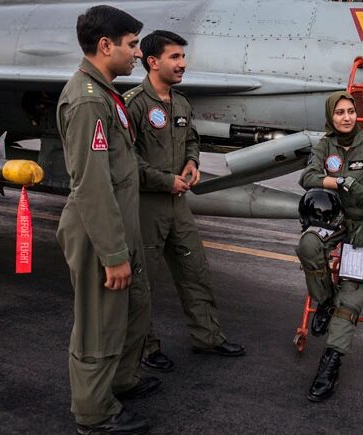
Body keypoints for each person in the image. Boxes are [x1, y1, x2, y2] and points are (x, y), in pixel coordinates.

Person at [56, 6, 160, 434]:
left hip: (118, 225)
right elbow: (92, 186)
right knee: (99, 323)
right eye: (132, 45)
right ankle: (94, 415)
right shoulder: (86, 100)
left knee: (129, 312)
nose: (137, 54)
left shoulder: (106, 93)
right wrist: (114, 253)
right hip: (99, 231)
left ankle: (121, 382)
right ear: (106, 46)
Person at [123, 30, 244, 373]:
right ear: (153, 61)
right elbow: (127, 161)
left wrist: (192, 163)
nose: (182, 64)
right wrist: (165, 181)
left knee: (196, 271)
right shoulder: (133, 105)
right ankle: (144, 348)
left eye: (182, 57)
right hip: (146, 207)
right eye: (174, 57)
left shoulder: (180, 102)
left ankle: (208, 337)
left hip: (178, 206)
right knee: (141, 283)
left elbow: (191, 138)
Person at [296, 91, 363, 402]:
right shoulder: (324, 145)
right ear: (331, 117)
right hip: (334, 218)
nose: (346, 117)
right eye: (339, 112)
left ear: (357, 115)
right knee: (308, 245)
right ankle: (324, 301)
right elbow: (308, 177)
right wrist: (338, 182)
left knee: (351, 294)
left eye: (351, 111)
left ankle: (331, 362)